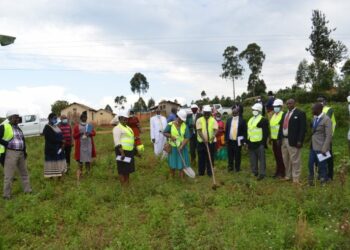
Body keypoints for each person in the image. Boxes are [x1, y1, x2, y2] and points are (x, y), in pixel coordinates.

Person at [0, 110, 32, 199]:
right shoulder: (4, 126)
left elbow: (22, 140)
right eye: (16, 117)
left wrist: (24, 151)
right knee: (9, 175)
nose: (18, 118)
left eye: (18, 117)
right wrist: (6, 143)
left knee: (24, 172)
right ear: (10, 118)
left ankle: (28, 190)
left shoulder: (18, 128)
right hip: (11, 153)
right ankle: (6, 195)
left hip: (21, 153)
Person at [278, 99, 306, 184]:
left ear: (294, 103)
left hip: (293, 140)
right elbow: (281, 127)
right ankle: (288, 175)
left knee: (295, 160)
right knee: (285, 159)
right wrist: (279, 138)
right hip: (284, 140)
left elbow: (302, 128)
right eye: (287, 104)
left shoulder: (300, 113)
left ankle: (296, 179)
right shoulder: (285, 114)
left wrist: (300, 140)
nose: (288, 105)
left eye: (290, 103)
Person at [308, 103, 332, 185]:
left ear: (318, 110)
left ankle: (323, 180)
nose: (312, 111)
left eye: (313, 109)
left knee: (322, 165)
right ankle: (311, 180)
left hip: (321, 147)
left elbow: (328, 135)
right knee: (310, 163)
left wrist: (325, 148)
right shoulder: (314, 118)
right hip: (313, 146)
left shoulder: (326, 119)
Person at [163, 110, 191, 178]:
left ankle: (182, 178)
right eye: (181, 119)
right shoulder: (170, 124)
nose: (182, 121)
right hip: (173, 147)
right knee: (172, 162)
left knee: (182, 162)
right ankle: (172, 176)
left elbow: (187, 137)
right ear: (178, 117)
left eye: (183, 120)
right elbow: (164, 133)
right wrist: (170, 136)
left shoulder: (185, 126)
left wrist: (181, 146)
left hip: (182, 147)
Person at [113, 110, 136, 185]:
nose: (126, 120)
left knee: (128, 170)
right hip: (121, 151)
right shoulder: (117, 128)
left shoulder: (128, 128)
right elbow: (117, 141)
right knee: (122, 170)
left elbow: (131, 139)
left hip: (129, 151)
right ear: (119, 119)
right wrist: (122, 153)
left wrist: (135, 151)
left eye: (126, 119)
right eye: (124, 119)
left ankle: (127, 184)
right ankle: (123, 187)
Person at [247, 103, 269, 180]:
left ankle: (262, 173)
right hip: (251, 142)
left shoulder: (263, 120)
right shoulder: (251, 119)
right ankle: (254, 172)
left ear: (259, 110)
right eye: (253, 110)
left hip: (259, 143)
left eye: (255, 110)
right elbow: (249, 131)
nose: (253, 111)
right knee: (253, 159)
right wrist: (247, 141)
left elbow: (266, 133)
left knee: (261, 159)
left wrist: (263, 143)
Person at [317, 96, 336, 180]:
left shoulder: (329, 109)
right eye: (318, 101)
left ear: (325, 101)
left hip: (327, 136)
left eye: (321, 101)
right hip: (319, 137)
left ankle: (330, 175)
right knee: (319, 156)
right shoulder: (317, 110)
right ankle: (321, 173)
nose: (320, 102)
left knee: (328, 156)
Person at [43, 113, 67, 179]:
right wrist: (61, 141)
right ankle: (50, 177)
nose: (55, 120)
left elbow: (60, 135)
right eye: (54, 118)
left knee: (59, 162)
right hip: (51, 149)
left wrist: (62, 141)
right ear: (49, 119)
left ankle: (60, 176)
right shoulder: (47, 127)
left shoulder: (56, 126)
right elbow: (51, 138)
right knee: (52, 163)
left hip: (59, 148)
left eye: (56, 118)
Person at [73, 111, 96, 179]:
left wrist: (89, 134)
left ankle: (88, 173)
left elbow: (94, 133)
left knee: (88, 160)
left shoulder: (89, 126)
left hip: (88, 145)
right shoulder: (77, 126)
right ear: (80, 118)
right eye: (83, 117)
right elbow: (74, 136)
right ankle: (80, 174)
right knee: (80, 161)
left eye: (85, 117)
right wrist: (79, 134)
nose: (84, 118)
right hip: (80, 146)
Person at [196, 106, 218, 176]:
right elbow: (199, 131)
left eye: (208, 114)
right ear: (203, 113)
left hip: (210, 143)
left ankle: (210, 172)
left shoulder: (213, 120)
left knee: (210, 158)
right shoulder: (199, 120)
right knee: (201, 158)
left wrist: (213, 135)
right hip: (201, 143)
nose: (206, 115)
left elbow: (216, 129)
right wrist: (204, 139)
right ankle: (201, 172)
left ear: (210, 113)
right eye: (205, 114)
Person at [225, 107, 247, 172]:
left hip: (238, 141)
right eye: (233, 113)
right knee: (230, 155)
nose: (234, 114)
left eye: (236, 113)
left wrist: (244, 141)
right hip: (230, 141)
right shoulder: (229, 120)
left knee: (237, 155)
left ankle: (237, 168)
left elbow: (244, 132)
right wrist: (226, 140)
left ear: (238, 113)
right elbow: (226, 131)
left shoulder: (242, 121)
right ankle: (230, 167)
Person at [269, 99, 285, 178]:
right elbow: (272, 127)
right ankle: (278, 171)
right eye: (274, 106)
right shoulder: (273, 115)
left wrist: (280, 139)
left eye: (277, 106)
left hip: (280, 140)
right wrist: (270, 137)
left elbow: (282, 128)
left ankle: (282, 172)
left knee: (281, 156)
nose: (275, 108)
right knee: (276, 156)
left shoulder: (283, 115)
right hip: (274, 139)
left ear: (281, 107)